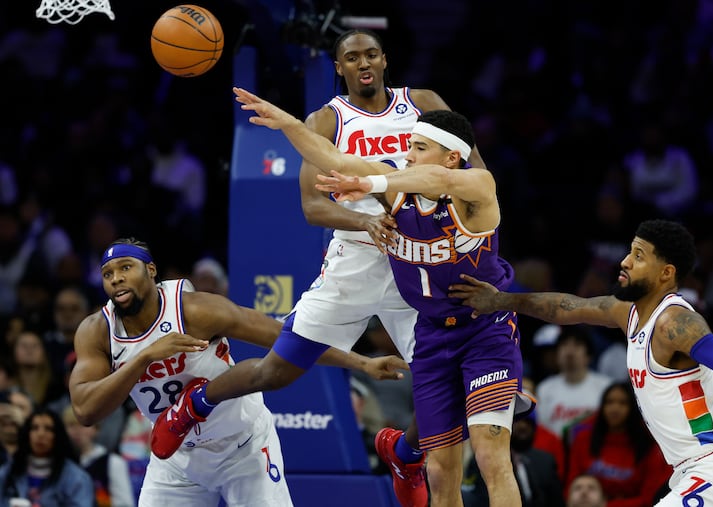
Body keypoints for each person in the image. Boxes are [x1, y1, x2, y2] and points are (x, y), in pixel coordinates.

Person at [155, 28, 489, 507]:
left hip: (417, 262)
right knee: (276, 372)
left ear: (385, 59)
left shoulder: (422, 101)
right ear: (340, 68)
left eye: (371, 54)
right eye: (352, 57)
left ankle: (406, 453)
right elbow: (313, 206)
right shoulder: (326, 120)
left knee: (449, 385)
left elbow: (475, 171)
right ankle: (197, 402)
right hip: (355, 259)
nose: (363, 62)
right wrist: (363, 221)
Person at [194, 90, 535, 507]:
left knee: (489, 455)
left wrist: (372, 182)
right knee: (442, 470)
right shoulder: (397, 188)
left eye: (419, 147)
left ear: (450, 155)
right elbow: (334, 159)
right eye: (408, 145)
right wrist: (289, 124)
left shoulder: (477, 187)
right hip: (432, 336)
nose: (406, 155)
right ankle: (405, 456)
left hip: (484, 333)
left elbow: (439, 181)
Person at [70, 238, 405, 507]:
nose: (116, 279)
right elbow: (86, 409)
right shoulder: (96, 331)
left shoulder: (197, 310)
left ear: (151, 270)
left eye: (125, 267)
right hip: (177, 460)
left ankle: (199, 400)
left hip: (241, 446)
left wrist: (361, 362)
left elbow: (286, 338)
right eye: (108, 273)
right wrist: (143, 359)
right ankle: (192, 405)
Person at [449, 219, 713, 505]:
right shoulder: (628, 313)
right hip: (694, 469)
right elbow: (566, 307)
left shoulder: (674, 323)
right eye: (629, 251)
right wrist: (500, 300)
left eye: (639, 256)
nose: (625, 261)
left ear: (666, 272)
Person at [565, 381, 670, 507]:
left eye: (623, 403)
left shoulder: (650, 447)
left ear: (634, 407)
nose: (615, 408)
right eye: (609, 402)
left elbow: (649, 498)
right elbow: (570, 487)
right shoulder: (583, 440)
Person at [0, 406, 94, 507]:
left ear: (57, 435)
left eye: (48, 429)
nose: (40, 434)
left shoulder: (76, 478)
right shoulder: (8, 473)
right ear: (27, 434)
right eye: (34, 428)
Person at [534, 325, 612, 441]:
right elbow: (542, 429)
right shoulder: (544, 389)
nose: (570, 352)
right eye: (564, 345)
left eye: (577, 345)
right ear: (557, 354)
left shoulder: (605, 387)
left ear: (589, 356)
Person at [62, 404, 135, 507]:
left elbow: (125, 503)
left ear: (96, 429)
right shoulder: (60, 463)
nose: (77, 431)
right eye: (71, 425)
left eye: (83, 425)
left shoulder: (113, 462)